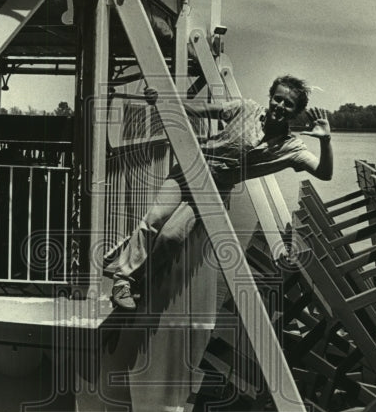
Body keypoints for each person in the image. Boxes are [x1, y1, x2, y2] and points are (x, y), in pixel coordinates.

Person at [103, 75, 333, 309]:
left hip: (214, 191)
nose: (280, 106)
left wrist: (326, 141)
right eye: (278, 99)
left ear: (296, 112)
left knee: (171, 237)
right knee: (154, 219)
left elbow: (324, 173)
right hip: (190, 168)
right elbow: (206, 109)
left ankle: (142, 279)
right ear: (271, 97)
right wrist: (164, 100)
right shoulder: (248, 109)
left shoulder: (292, 148)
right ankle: (122, 279)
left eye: (288, 104)